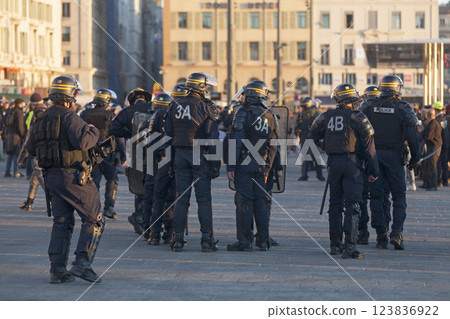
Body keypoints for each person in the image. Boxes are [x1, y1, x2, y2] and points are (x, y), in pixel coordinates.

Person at [25, 75, 104, 283]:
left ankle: (57, 270)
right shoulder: (70, 117)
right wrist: (93, 130)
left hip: (51, 177)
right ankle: (82, 263)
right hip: (73, 176)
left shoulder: (40, 117)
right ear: (71, 95)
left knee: (62, 221)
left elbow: (31, 148)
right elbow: (84, 141)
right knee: (93, 218)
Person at [311, 84, 378, 259]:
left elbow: (313, 133)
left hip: (333, 163)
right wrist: (373, 170)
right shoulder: (358, 117)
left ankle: (335, 245)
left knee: (334, 205)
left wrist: (326, 146)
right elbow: (369, 147)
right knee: (353, 205)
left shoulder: (325, 116)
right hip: (352, 164)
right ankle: (350, 247)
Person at [360, 75, 420, 250]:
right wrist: (415, 158)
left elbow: (358, 130)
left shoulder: (369, 106)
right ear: (397, 88)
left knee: (377, 196)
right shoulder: (404, 108)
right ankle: (396, 232)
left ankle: (380, 236)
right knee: (399, 196)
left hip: (374, 157)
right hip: (395, 158)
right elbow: (413, 137)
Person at [165, 72, 221, 252]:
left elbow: (168, 135)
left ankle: (178, 240)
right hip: (199, 154)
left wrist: (169, 161)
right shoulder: (207, 107)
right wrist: (215, 164)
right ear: (202, 87)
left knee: (181, 198)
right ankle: (206, 240)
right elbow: (213, 138)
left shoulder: (174, 105)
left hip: (179, 154)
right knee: (204, 199)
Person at [226, 81, 278, 251]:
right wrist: (267, 169)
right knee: (261, 202)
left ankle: (245, 241)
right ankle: (263, 240)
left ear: (251, 96)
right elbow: (273, 146)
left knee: (244, 202)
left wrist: (231, 167)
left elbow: (236, 141)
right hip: (260, 164)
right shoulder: (270, 116)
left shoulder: (243, 113)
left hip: (244, 163)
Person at [109, 88, 153, 233]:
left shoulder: (127, 111)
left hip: (135, 153)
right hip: (154, 152)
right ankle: (144, 218)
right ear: (146, 99)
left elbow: (113, 129)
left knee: (138, 186)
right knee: (153, 185)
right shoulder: (154, 108)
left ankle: (139, 218)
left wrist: (130, 132)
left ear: (132, 100)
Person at [148, 90, 185, 245]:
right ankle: (172, 234)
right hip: (181, 160)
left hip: (163, 160)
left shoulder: (159, 114)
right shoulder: (189, 114)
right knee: (178, 199)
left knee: (159, 197)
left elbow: (151, 140)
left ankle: (154, 234)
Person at [81, 88, 119, 219]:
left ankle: (93, 209)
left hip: (90, 152)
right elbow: (117, 135)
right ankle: (109, 208)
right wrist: (121, 154)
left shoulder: (85, 114)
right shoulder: (111, 116)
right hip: (108, 153)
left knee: (93, 182)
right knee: (112, 179)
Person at [357, 86, 381, 244]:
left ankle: (362, 233)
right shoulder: (393, 108)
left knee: (362, 198)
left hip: (363, 160)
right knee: (381, 197)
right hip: (386, 157)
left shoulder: (360, 113)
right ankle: (383, 234)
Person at [18, 98, 48, 211]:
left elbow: (28, 139)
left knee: (42, 179)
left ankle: (54, 201)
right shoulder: (49, 112)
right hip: (47, 152)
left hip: (36, 153)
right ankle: (29, 202)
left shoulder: (35, 116)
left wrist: (21, 157)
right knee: (34, 179)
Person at [296, 97, 324, 181]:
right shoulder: (313, 112)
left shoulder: (312, 112)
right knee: (314, 157)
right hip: (310, 137)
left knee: (309, 157)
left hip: (308, 137)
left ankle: (307, 175)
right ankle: (318, 175)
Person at [420, 107, 442, 191]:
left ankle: (433, 185)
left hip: (434, 147)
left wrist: (421, 132)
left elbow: (429, 136)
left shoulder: (433, 123)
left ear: (428, 115)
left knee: (432, 166)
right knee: (428, 165)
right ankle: (428, 184)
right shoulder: (434, 122)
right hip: (433, 146)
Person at [4, 98, 26, 178]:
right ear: (20, 104)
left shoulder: (10, 111)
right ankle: (16, 171)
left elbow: (5, 122)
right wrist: (23, 135)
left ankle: (7, 171)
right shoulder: (19, 112)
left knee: (10, 154)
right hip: (16, 136)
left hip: (9, 134)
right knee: (16, 154)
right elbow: (20, 126)